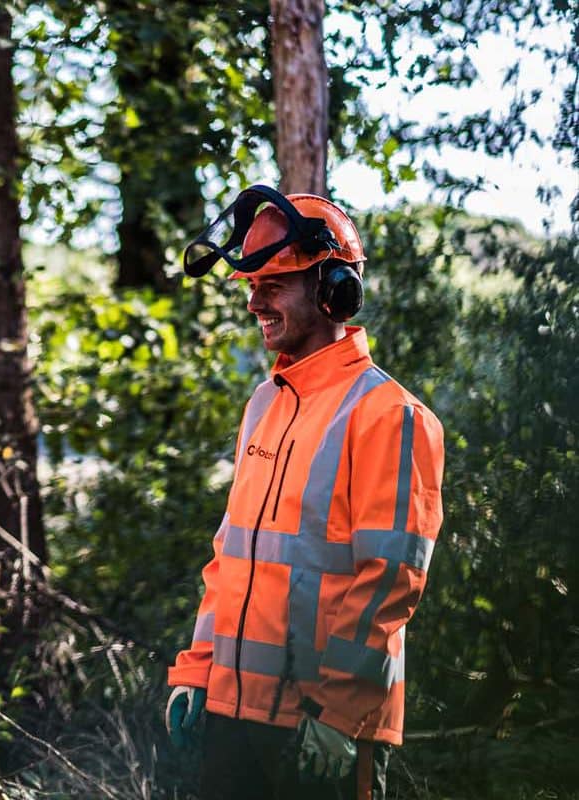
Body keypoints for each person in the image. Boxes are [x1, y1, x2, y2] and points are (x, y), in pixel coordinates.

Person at [166, 186, 445, 800]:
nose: (253, 303)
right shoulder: (265, 404)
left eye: (273, 286)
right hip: (232, 713)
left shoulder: (389, 415)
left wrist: (341, 715)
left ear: (332, 290)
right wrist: (198, 669)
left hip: (320, 731)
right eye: (252, 286)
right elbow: (231, 556)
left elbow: (388, 580)